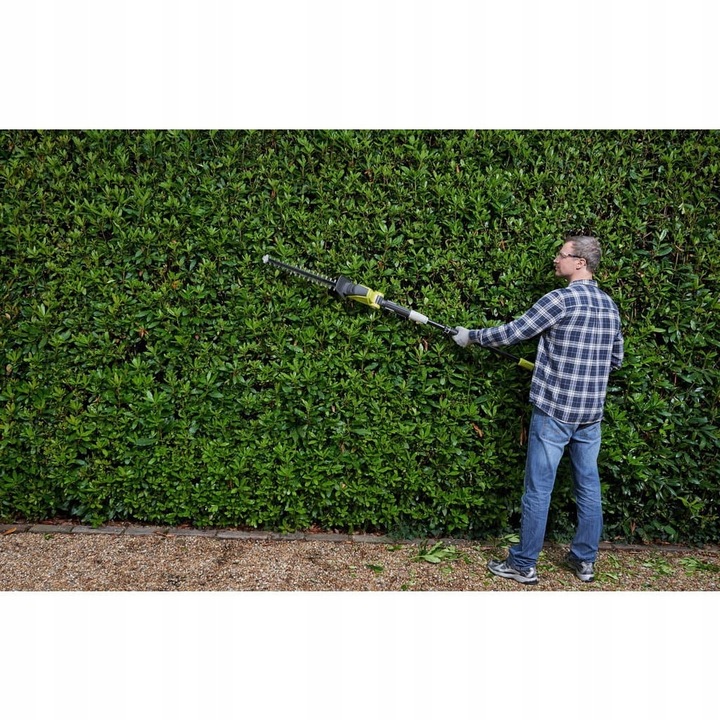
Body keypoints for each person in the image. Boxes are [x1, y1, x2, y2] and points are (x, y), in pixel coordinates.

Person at [453, 236, 624, 585]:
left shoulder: (559, 300)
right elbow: (615, 360)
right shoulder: (610, 306)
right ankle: (584, 561)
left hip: (555, 411)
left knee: (538, 489)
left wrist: (472, 336)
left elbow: (514, 333)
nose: (556, 259)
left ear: (580, 262)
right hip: (590, 415)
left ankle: (523, 564)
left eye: (562, 254)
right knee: (588, 487)